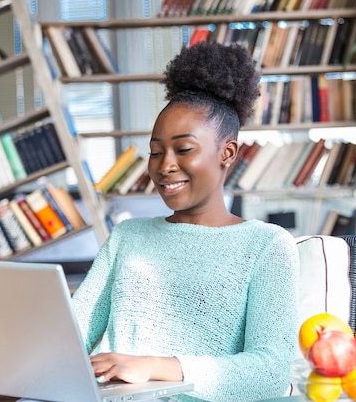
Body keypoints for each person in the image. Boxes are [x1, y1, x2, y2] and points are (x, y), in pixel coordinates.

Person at [71, 41, 300, 402]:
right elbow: (70, 336)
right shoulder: (128, 237)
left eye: (184, 149)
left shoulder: (267, 245)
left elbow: (270, 372)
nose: (165, 166)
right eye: (156, 152)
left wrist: (155, 366)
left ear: (227, 153)